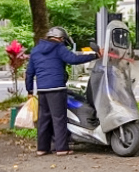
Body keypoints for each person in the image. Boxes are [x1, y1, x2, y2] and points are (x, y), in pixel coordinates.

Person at [25, 27, 99, 156]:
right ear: (60, 38)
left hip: (42, 90)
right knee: (59, 118)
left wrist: (30, 90)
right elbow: (74, 59)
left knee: (44, 119)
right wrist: (95, 56)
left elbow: (29, 72)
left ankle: (42, 148)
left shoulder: (35, 50)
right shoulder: (59, 48)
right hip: (57, 89)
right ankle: (61, 148)